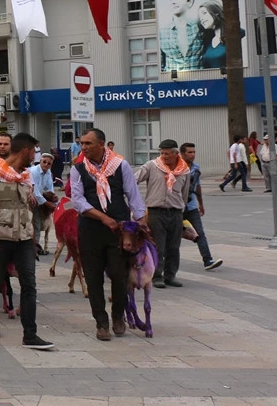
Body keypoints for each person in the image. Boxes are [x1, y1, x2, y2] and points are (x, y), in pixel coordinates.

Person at [0, 133, 54, 349]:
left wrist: (45, 204)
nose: (35, 157)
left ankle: (30, 334)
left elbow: (33, 201)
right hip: (0, 238)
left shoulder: (26, 176)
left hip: (24, 238)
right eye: (34, 152)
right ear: (25, 152)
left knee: (29, 284)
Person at [69, 128, 147, 341]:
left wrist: (141, 222)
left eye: (88, 143)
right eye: (82, 143)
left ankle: (118, 316)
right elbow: (78, 200)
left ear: (101, 144)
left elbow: (134, 195)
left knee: (119, 274)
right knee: (93, 278)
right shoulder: (77, 169)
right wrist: (102, 217)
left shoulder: (121, 166)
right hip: (90, 229)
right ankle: (101, 322)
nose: (83, 147)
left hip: (119, 230)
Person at [135, 139, 193, 288]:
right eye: (162, 153)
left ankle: (171, 275)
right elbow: (133, 181)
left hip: (175, 212)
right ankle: (157, 276)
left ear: (175, 154)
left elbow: (185, 193)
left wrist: (182, 210)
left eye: (167, 153)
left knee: (173, 247)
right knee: (158, 246)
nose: (164, 156)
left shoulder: (184, 170)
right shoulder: (152, 166)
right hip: (156, 212)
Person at [180, 143, 223, 271]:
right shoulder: (176, 168)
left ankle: (208, 260)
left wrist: (201, 204)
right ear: (182, 154)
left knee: (200, 233)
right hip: (176, 207)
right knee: (171, 236)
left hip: (191, 206)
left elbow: (197, 186)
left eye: (194, 152)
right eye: (189, 152)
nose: (192, 155)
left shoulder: (196, 168)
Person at [159, 0, 205, 70]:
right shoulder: (162, 32)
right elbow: (160, 64)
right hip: (173, 82)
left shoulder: (200, 27)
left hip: (199, 81)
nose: (173, 1)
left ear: (190, 2)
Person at [27, 153, 59, 256]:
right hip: (30, 198)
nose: (46, 165)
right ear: (40, 161)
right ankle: (34, 247)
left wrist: (54, 200)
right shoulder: (34, 172)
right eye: (44, 162)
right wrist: (47, 203)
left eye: (49, 163)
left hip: (39, 199)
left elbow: (50, 189)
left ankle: (34, 245)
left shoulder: (48, 172)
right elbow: (35, 192)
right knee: (36, 223)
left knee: (38, 223)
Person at [197, 0, 235, 70]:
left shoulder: (235, 34)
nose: (201, 19)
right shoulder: (207, 41)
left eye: (204, 13)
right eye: (200, 17)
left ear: (216, 13)